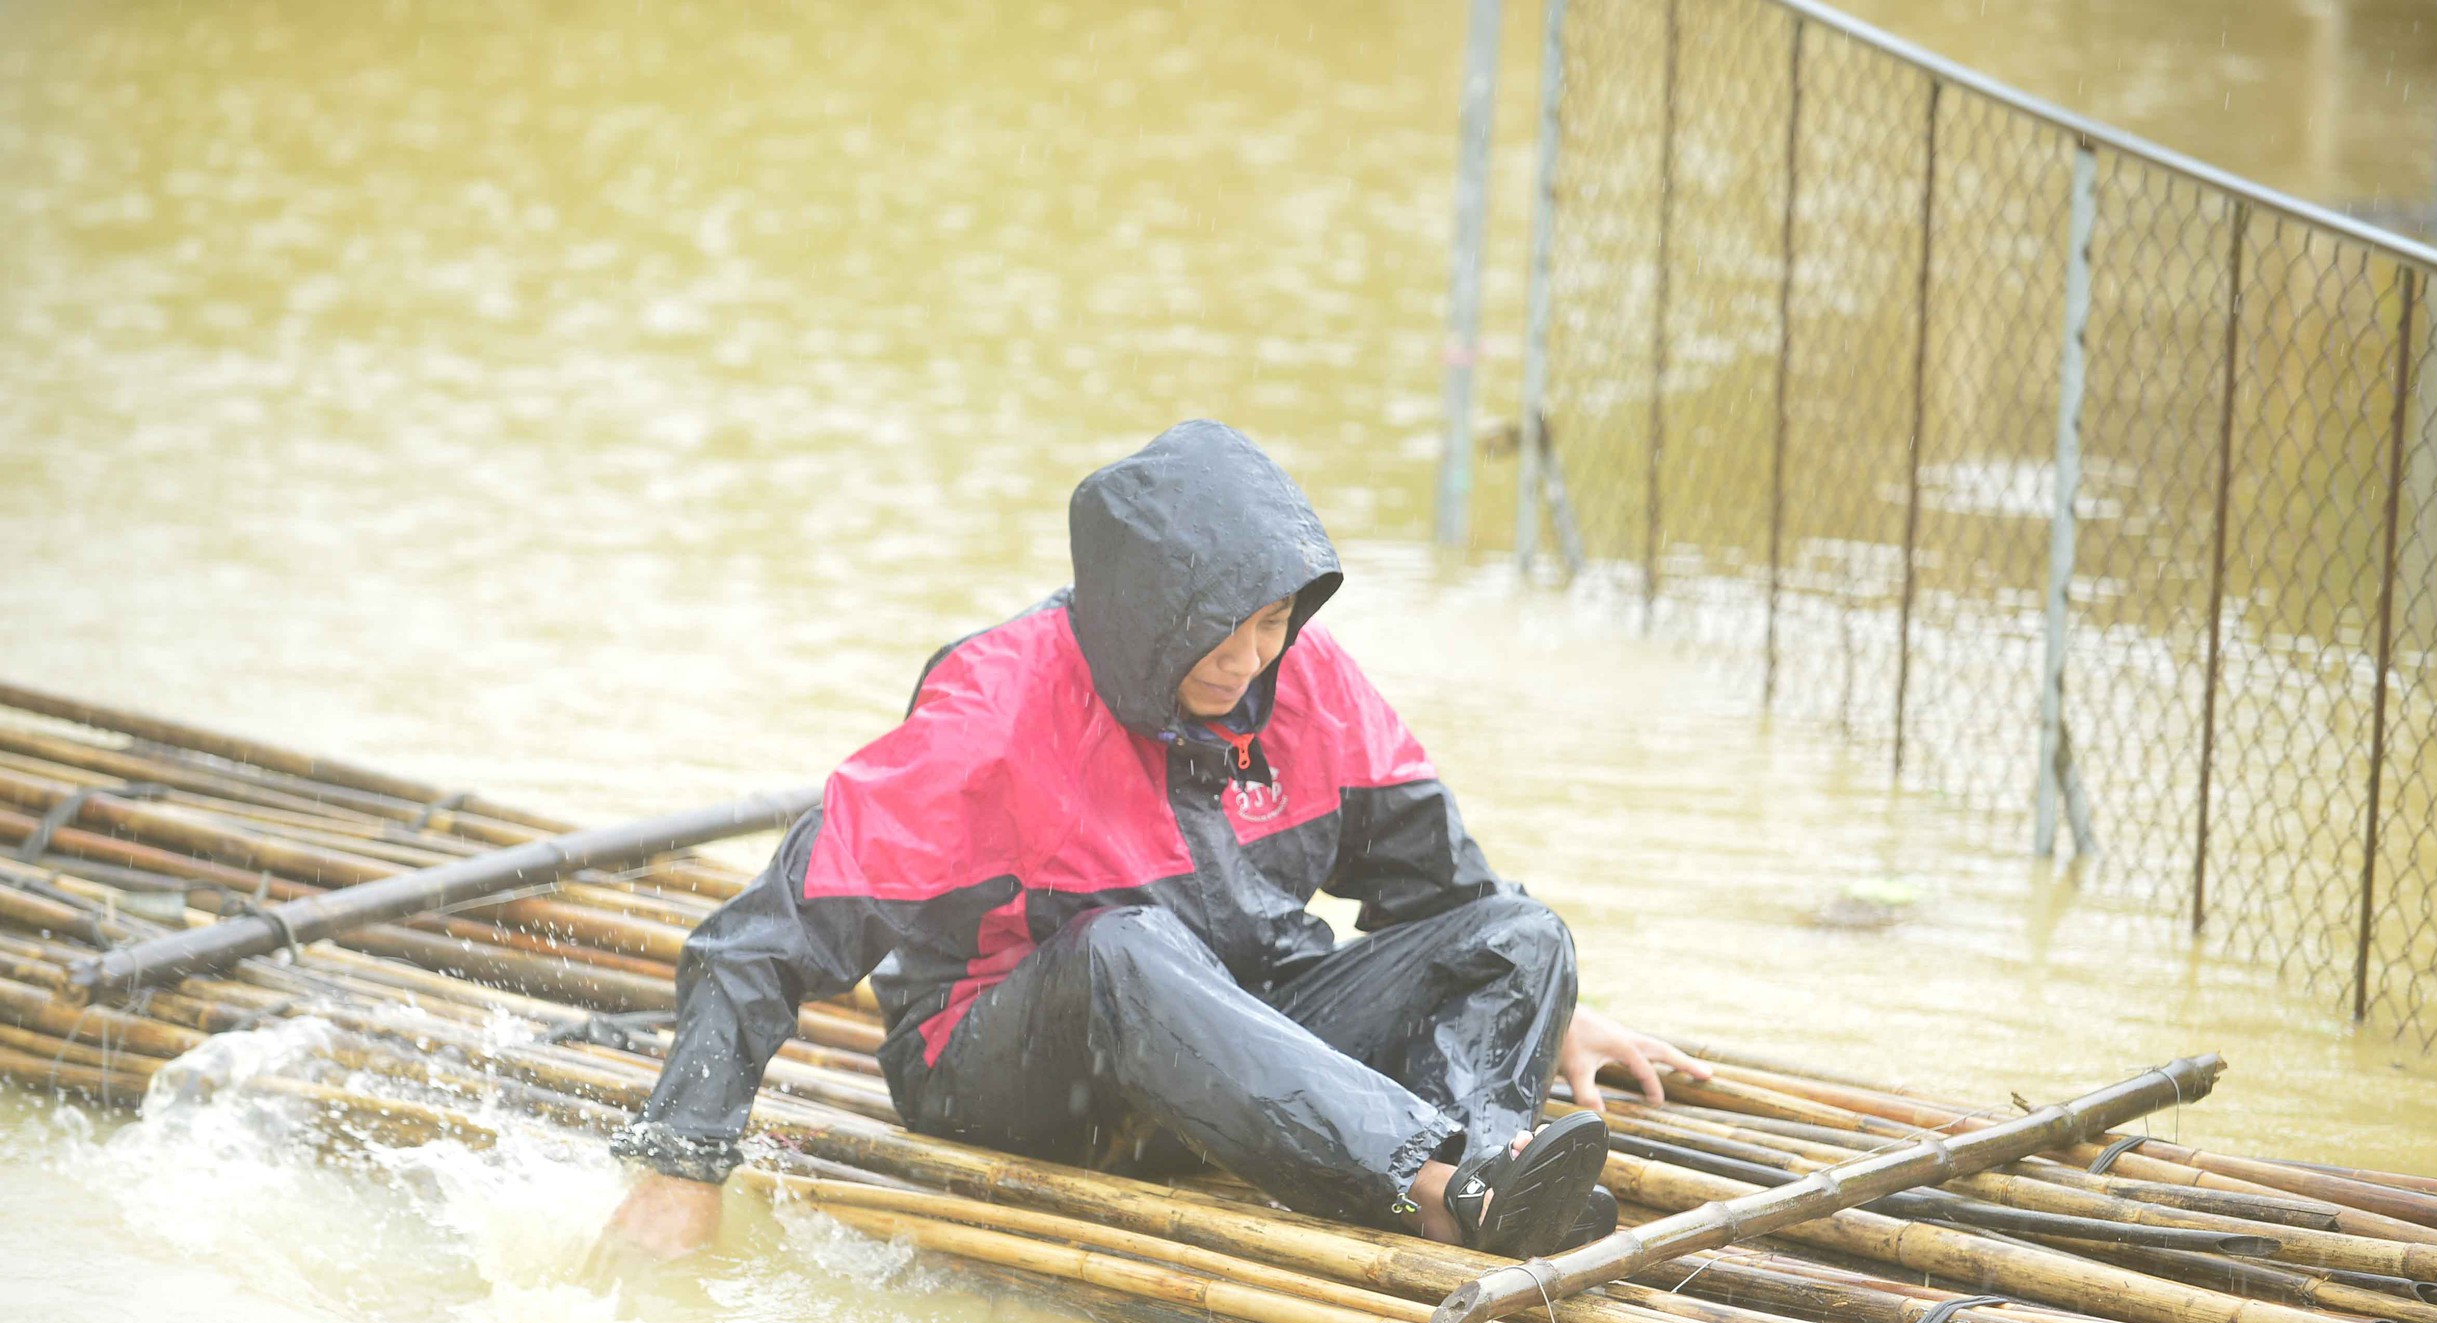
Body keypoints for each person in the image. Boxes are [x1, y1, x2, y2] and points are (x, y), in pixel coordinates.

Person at [604, 420, 1711, 1261]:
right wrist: (680, 1166)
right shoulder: (991, 711)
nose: (1246, 663)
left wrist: (1553, 1000)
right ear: (1139, 618)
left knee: (1522, 934)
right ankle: (1438, 1186)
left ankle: (1489, 1170)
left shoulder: (1303, 681)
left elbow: (1447, 898)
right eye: (1215, 636)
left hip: (1248, 1059)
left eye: (1274, 626)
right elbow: (759, 941)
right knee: (1125, 948)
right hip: (1025, 1077)